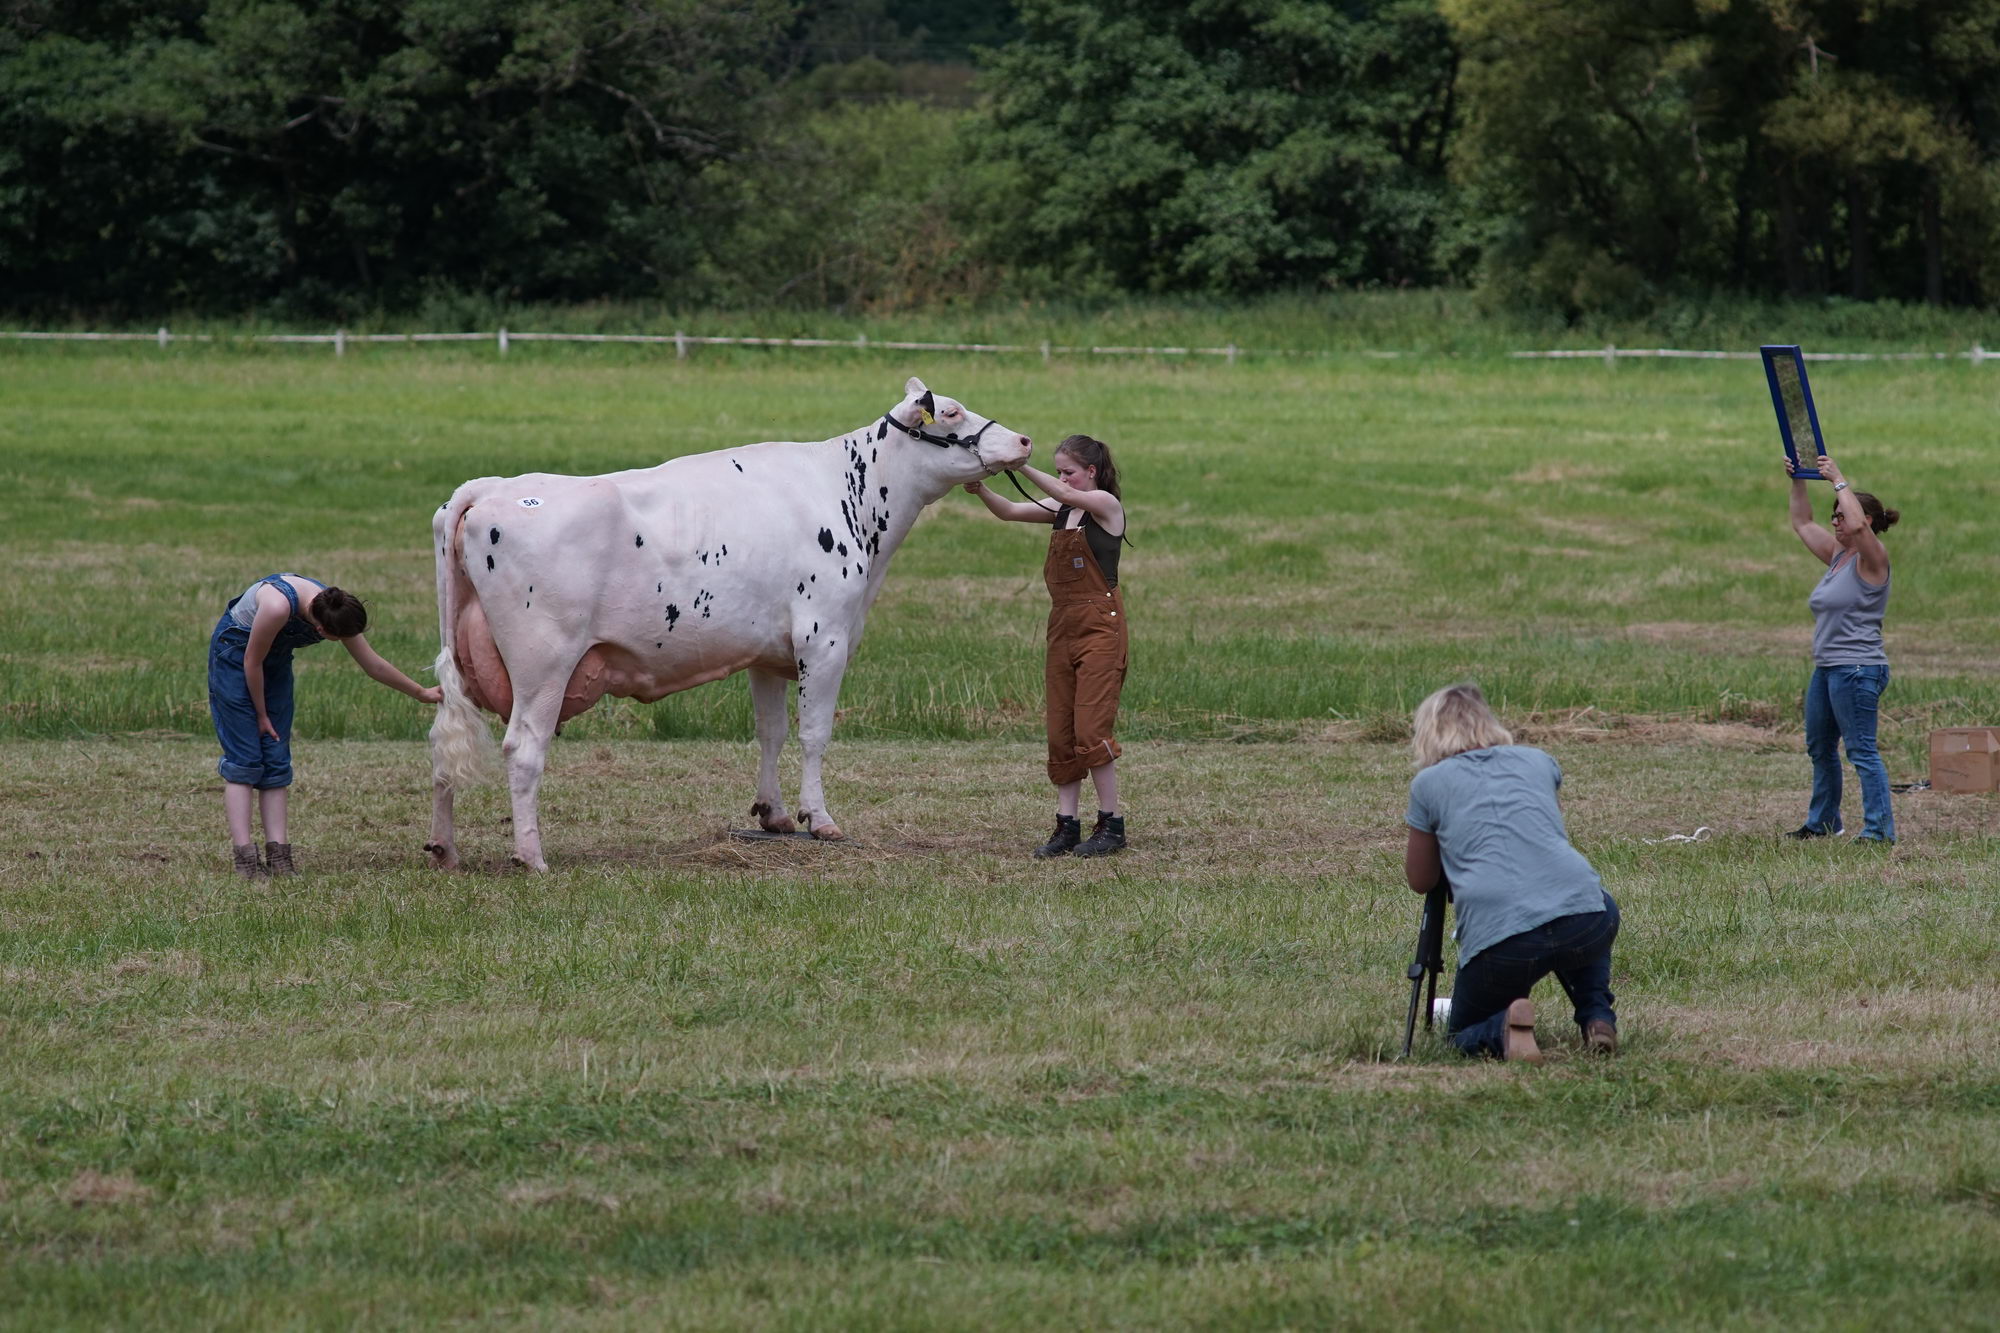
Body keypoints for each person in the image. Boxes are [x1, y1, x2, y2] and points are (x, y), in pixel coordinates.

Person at [1403, 682, 1619, 1064]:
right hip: (1589, 919)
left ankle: (1502, 1030)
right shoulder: (1538, 760)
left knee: (1459, 1035)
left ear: (1429, 732)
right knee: (1586, 905)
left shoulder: (1428, 784)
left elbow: (1422, 881)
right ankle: (1598, 1017)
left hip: (1504, 940)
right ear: (1488, 721)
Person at [208, 573, 441, 878]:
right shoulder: (278, 606)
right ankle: (246, 862)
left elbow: (373, 664)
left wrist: (422, 693)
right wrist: (262, 715)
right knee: (246, 759)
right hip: (236, 657)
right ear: (320, 630)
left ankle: (280, 858)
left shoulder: (334, 608)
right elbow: (252, 662)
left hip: (274, 662)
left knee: (276, 760)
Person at [964, 435, 1129, 858]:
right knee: (1061, 728)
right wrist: (982, 488)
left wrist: (1019, 465)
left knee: (1091, 730)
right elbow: (1010, 512)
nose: (1062, 479)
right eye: (1058, 471)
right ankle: (1067, 826)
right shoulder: (1063, 510)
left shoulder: (1106, 506)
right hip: (1063, 625)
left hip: (1100, 627)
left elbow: (1056, 492)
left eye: (1069, 471)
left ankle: (1112, 825)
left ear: (1091, 472)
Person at [1782, 454, 1899, 843]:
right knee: (1819, 748)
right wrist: (1798, 479)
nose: (1836, 522)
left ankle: (1880, 831)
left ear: (1865, 523)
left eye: (1841, 516)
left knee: (1862, 752)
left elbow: (1858, 526)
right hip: (1829, 668)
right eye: (1833, 517)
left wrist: (1838, 479)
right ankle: (1824, 822)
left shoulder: (1873, 560)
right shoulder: (1837, 557)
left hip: (1858, 668)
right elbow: (1801, 522)